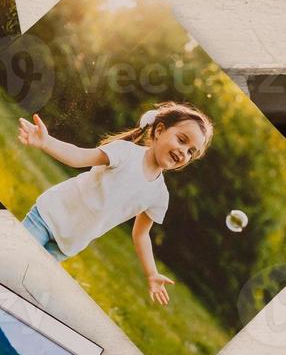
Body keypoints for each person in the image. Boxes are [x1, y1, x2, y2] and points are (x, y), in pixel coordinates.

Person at [15, 102, 213, 306]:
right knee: (13, 258)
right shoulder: (125, 153)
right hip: (49, 215)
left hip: (69, 243)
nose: (183, 152)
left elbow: (141, 234)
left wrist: (151, 273)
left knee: (24, 281)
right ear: (159, 130)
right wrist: (46, 142)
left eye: (191, 152)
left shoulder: (159, 196)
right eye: (182, 140)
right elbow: (78, 157)